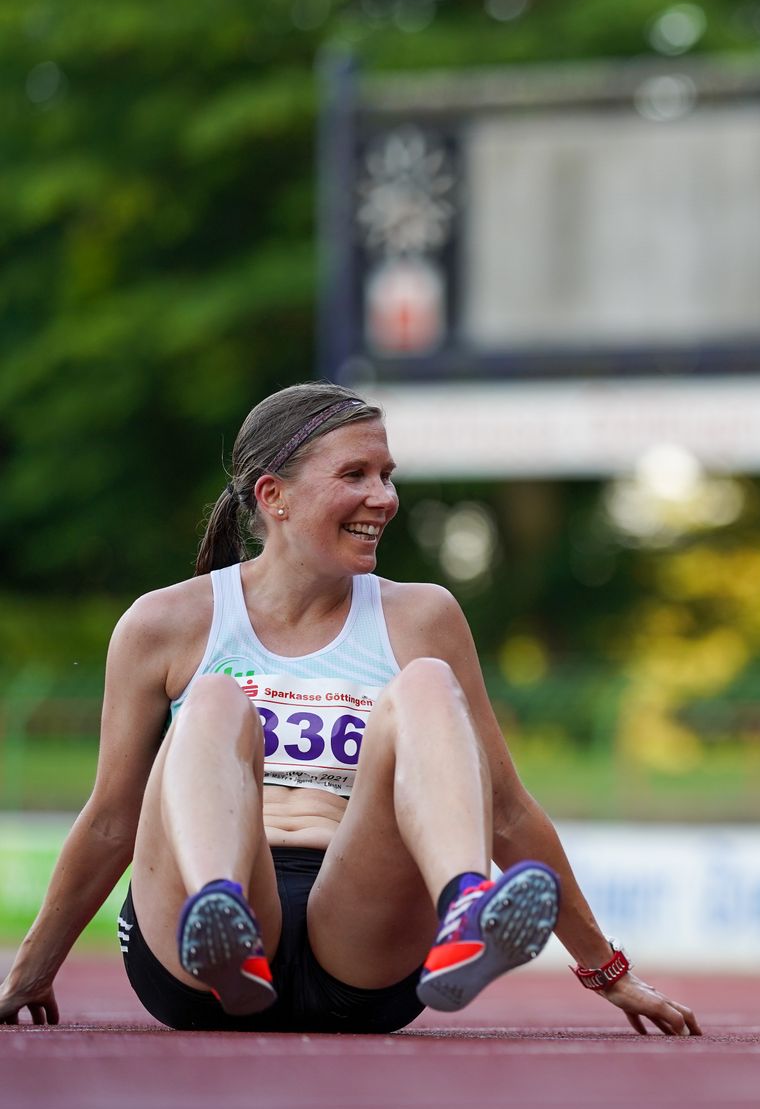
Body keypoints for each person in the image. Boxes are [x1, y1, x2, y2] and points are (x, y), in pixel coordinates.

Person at [0, 383, 700, 1036]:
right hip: (195, 952)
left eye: (387, 475)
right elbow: (114, 818)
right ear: (274, 496)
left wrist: (607, 971)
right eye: (356, 475)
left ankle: (466, 912)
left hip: (361, 938)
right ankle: (223, 919)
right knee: (214, 698)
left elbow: (507, 809)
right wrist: (31, 967)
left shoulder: (422, 616)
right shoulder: (166, 624)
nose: (385, 497)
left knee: (426, 682)